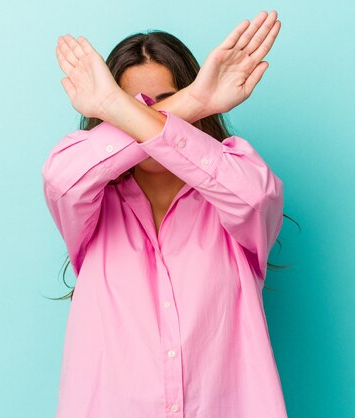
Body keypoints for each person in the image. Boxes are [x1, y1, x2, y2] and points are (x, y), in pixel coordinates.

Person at [42, 10, 287, 417]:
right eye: (128, 107)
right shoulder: (87, 198)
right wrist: (190, 102)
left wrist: (127, 111)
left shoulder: (235, 178)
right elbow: (60, 179)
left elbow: (257, 198)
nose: (148, 115)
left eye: (170, 100)